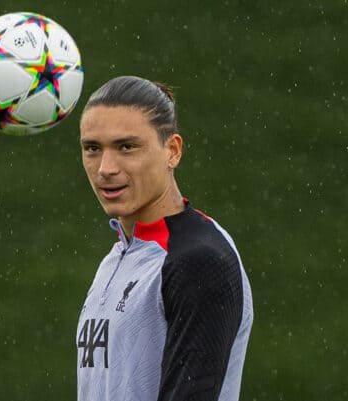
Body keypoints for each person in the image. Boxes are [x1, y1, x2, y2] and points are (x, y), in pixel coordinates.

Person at [76, 76, 253, 401]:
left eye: (126, 147)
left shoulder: (200, 259)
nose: (105, 168)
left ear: (172, 151)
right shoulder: (118, 256)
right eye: (92, 148)